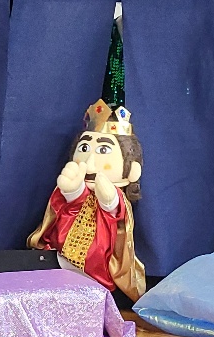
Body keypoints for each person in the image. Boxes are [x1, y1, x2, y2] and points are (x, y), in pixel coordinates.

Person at [27, 99, 148, 300]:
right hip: (60, 257)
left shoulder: (116, 195)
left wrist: (109, 201)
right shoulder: (76, 182)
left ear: (132, 169)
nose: (90, 163)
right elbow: (66, 209)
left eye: (103, 150)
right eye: (84, 148)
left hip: (97, 265)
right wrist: (73, 192)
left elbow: (117, 220)